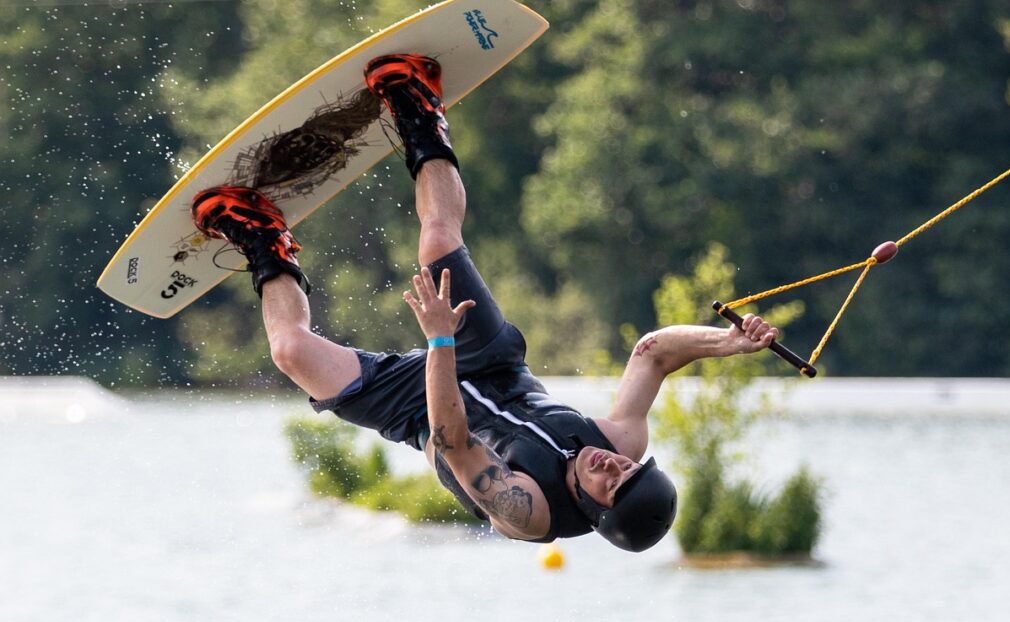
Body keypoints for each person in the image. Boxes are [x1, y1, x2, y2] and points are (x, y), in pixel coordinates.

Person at [190, 54, 779, 552]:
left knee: (292, 352)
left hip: (424, 413)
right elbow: (652, 354)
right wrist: (728, 342)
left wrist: (440, 341)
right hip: (493, 363)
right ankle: (419, 109)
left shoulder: (529, 512)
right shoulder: (621, 445)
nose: (613, 467)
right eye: (628, 469)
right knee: (439, 242)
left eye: (613, 484)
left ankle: (264, 238)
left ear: (596, 514)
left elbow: (454, 438)